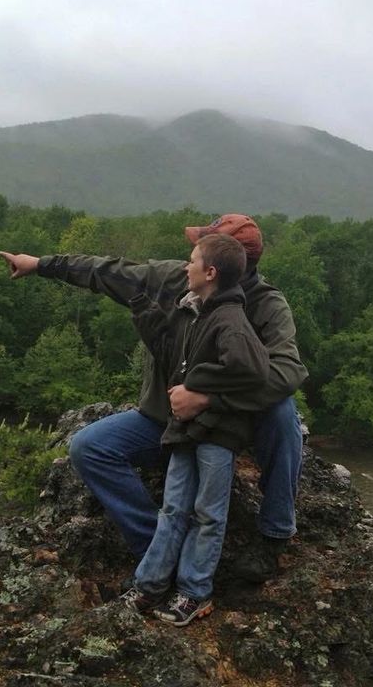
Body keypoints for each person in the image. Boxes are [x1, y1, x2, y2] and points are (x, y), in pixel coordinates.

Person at [0, 213, 308, 582]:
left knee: (283, 413)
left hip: (230, 426)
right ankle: (155, 546)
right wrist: (40, 265)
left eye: (201, 248)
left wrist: (209, 398)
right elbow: (108, 271)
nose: (190, 253)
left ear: (219, 266)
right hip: (167, 421)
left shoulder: (266, 305)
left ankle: (273, 535)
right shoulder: (175, 279)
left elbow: (287, 370)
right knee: (89, 448)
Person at [123, 233, 269, 625]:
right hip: (186, 431)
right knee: (173, 508)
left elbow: (254, 373)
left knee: (208, 514)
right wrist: (142, 309)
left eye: (191, 260)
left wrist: (205, 393)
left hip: (218, 435)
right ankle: (150, 585)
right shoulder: (199, 311)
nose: (185, 266)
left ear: (210, 272)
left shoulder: (231, 320)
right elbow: (175, 355)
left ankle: (194, 593)